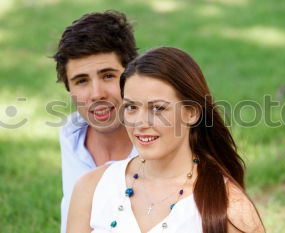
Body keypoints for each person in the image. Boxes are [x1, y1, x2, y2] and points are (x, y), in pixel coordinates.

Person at [67, 47, 265, 233]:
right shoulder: (91, 187)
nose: (140, 123)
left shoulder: (229, 207)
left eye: (158, 108)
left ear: (191, 113)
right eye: (131, 107)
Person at [52, 10, 138, 233]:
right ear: (69, 89)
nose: (96, 93)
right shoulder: (72, 135)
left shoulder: (159, 142)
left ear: (132, 76)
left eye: (108, 75)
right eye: (81, 81)